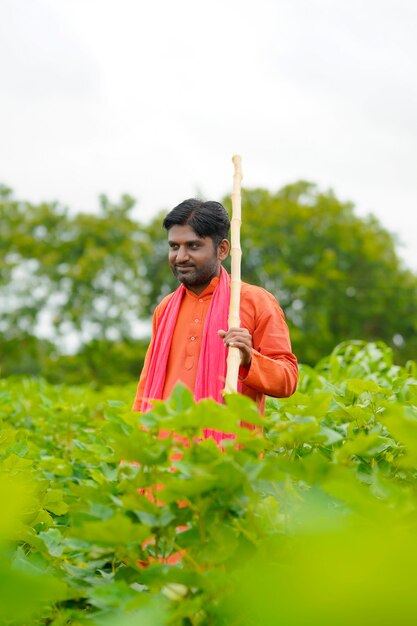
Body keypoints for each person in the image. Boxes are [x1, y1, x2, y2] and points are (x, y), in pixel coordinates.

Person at [133, 198, 298, 416]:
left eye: (193, 246)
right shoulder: (165, 309)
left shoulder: (255, 301)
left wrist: (249, 359)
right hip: (166, 446)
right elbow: (146, 386)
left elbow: (287, 380)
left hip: (230, 446)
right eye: (174, 247)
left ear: (222, 249)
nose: (180, 257)